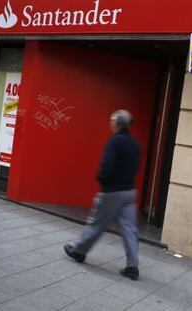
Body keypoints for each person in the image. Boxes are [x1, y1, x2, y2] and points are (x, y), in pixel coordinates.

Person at [64, 109, 141, 280]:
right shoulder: (135, 144)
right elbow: (136, 167)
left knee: (96, 223)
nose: (110, 123)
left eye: (111, 121)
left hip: (112, 191)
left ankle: (79, 251)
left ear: (116, 123)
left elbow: (107, 164)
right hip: (129, 192)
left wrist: (102, 180)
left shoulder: (115, 142)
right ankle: (132, 266)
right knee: (130, 230)